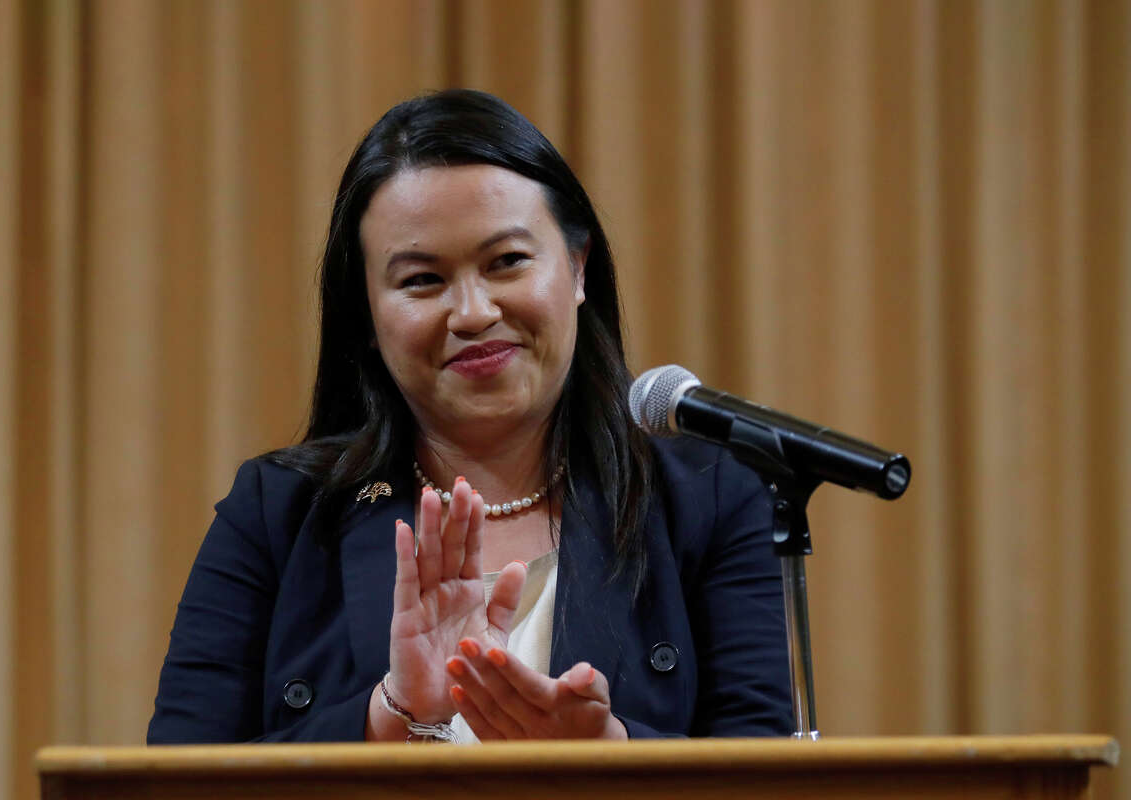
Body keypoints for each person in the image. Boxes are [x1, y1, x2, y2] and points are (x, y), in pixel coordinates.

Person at [147, 89, 792, 744]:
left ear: (576, 268)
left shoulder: (707, 501)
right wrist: (392, 717)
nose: (474, 312)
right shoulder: (278, 513)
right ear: (367, 317)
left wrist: (608, 759)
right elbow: (169, 784)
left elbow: (763, 779)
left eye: (507, 262)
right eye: (422, 280)